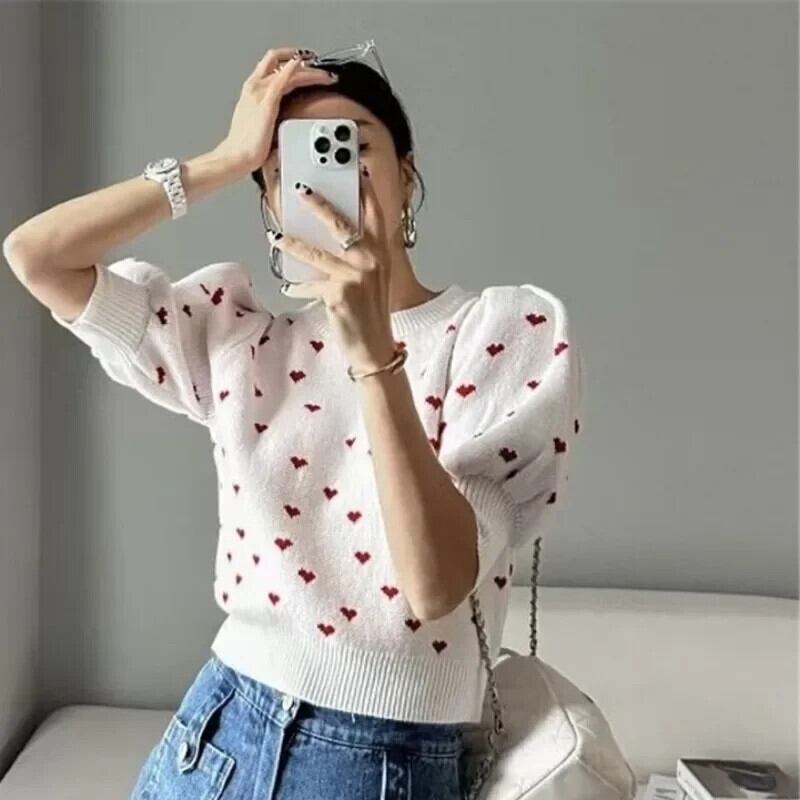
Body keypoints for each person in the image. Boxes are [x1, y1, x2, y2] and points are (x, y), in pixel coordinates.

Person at [4, 44, 583, 800]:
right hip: (215, 734)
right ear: (272, 206)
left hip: (384, 761)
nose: (327, 174)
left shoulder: (499, 334)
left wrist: (372, 352)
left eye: (352, 146)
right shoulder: (241, 339)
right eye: (288, 166)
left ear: (407, 176)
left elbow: (435, 584)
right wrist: (220, 161)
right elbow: (35, 256)